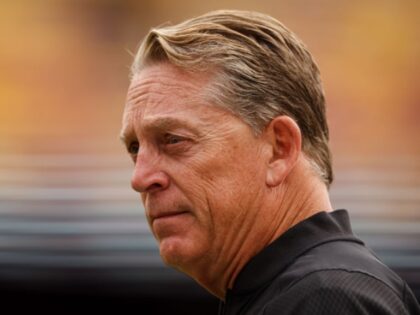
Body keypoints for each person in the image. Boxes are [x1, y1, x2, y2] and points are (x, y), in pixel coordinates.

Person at [120, 10, 420, 315]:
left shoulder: (328, 298)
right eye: (134, 148)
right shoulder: (295, 293)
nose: (140, 178)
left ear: (279, 148)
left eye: (173, 140)